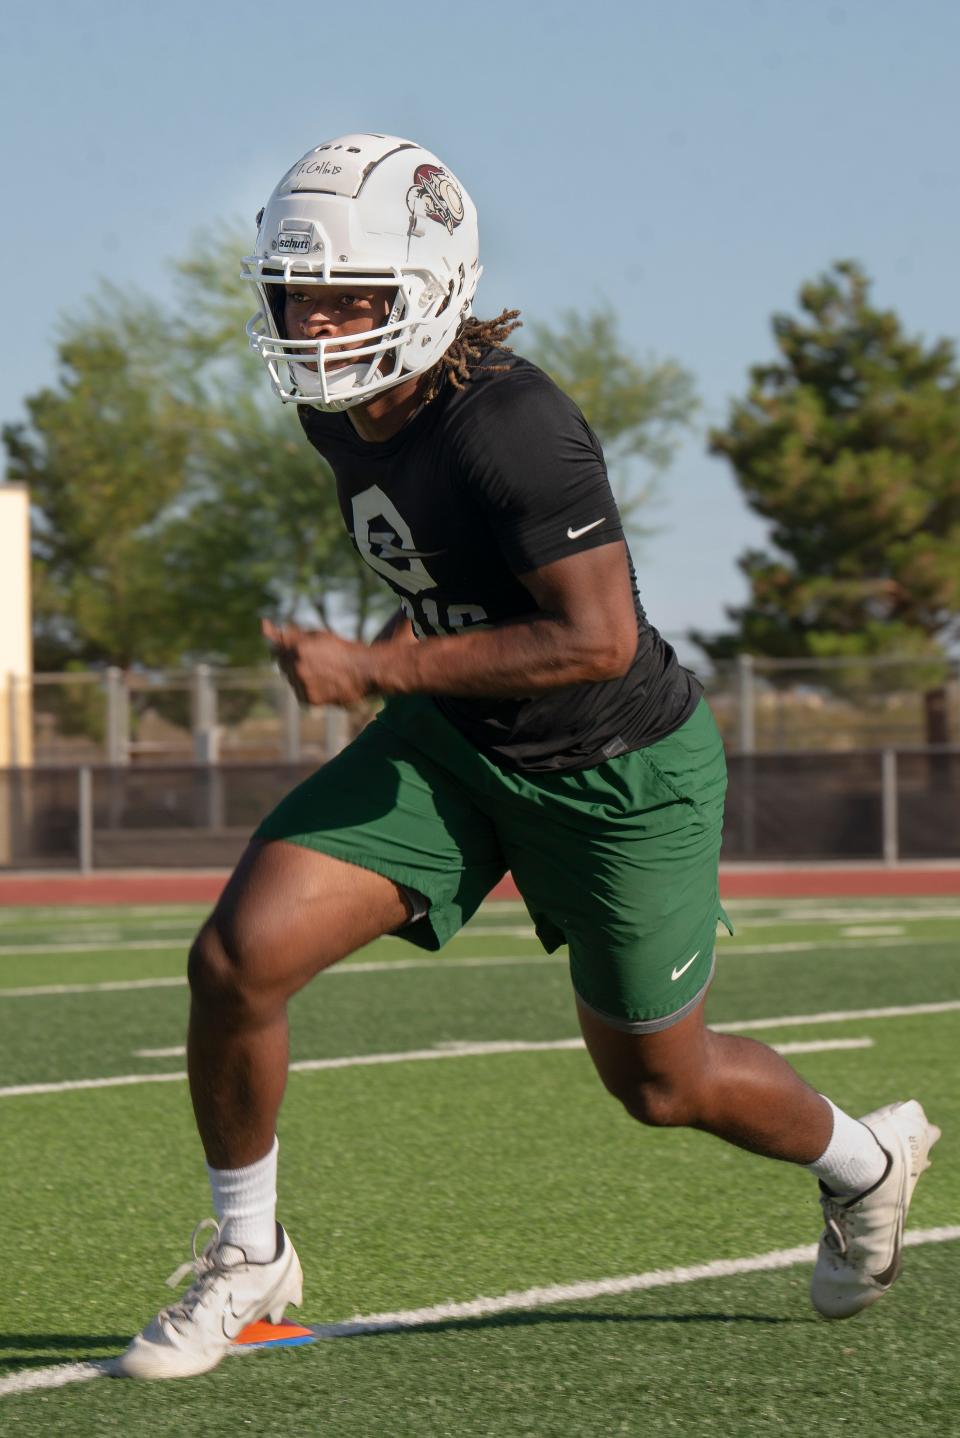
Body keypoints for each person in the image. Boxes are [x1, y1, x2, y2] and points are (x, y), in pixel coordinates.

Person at [116, 133, 938, 1380]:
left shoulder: (517, 424)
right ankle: (250, 1255)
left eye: (351, 297)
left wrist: (374, 667)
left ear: (432, 288)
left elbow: (597, 638)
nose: (319, 323)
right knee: (238, 959)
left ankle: (864, 1163)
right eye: (300, 296)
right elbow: (451, 578)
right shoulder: (343, 412)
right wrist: (400, 652)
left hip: (619, 775)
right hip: (456, 747)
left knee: (662, 1083)